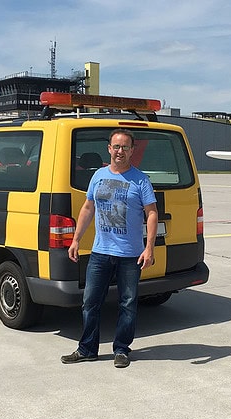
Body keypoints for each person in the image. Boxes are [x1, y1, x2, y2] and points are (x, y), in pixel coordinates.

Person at [61, 129, 158, 368]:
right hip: (100, 252)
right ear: (109, 149)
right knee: (90, 302)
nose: (120, 151)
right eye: (116, 146)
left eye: (125, 147)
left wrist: (149, 248)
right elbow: (88, 208)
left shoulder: (140, 180)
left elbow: (152, 213)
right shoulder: (98, 175)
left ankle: (122, 350)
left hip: (130, 255)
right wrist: (76, 239)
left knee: (127, 304)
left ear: (132, 151)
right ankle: (87, 349)